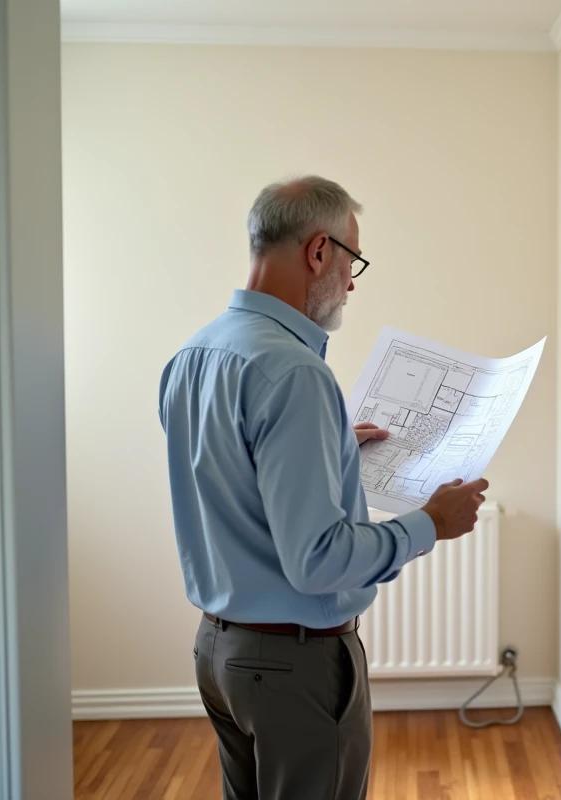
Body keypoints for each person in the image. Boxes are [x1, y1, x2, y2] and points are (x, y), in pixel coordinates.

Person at [158, 176, 489, 799]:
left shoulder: (193, 356)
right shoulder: (294, 373)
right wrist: (431, 524)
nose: (353, 281)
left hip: (217, 655)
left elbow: (233, 479)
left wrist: (331, 446)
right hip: (294, 668)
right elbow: (318, 561)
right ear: (318, 252)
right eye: (352, 260)